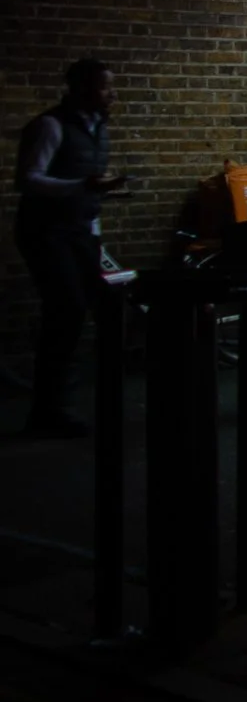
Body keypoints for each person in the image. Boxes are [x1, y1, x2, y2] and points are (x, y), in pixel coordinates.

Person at [13, 59, 128, 437]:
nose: (112, 94)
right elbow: (28, 180)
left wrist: (96, 214)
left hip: (80, 231)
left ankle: (69, 402)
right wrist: (83, 186)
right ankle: (47, 411)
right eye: (104, 87)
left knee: (100, 306)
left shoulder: (98, 129)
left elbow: (86, 184)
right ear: (80, 89)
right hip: (46, 232)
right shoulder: (50, 125)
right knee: (66, 311)